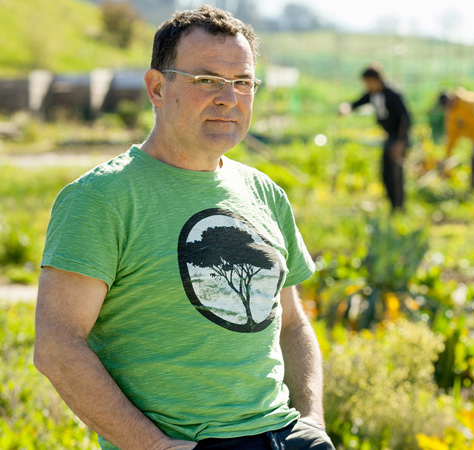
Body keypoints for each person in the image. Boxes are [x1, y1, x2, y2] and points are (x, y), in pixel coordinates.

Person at [34, 6, 334, 450]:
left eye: (243, 83)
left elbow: (292, 323)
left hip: (285, 436)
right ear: (157, 87)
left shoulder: (264, 192)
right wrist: (154, 445)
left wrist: (311, 420)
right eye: (207, 80)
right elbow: (57, 346)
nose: (228, 98)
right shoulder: (101, 198)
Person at [338, 66, 411, 211]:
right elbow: (358, 102)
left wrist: (401, 142)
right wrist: (347, 107)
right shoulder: (373, 94)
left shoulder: (392, 94)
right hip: (389, 138)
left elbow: (406, 118)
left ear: (375, 80)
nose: (366, 86)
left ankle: (399, 209)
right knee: (386, 173)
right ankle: (392, 206)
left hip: (398, 139)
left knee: (396, 175)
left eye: (367, 82)